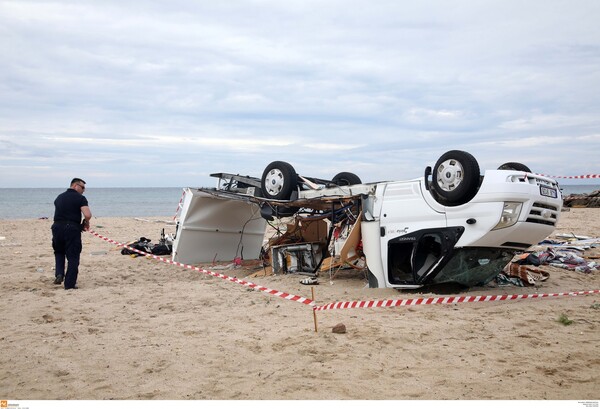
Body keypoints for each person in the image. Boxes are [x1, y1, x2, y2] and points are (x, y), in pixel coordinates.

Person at [51, 178, 92, 290]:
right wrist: (86, 222)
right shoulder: (80, 198)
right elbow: (87, 214)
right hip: (71, 228)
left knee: (59, 251)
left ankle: (59, 274)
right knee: (73, 256)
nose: (83, 190)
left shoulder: (59, 197)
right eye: (82, 187)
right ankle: (69, 284)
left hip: (57, 227)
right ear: (75, 186)